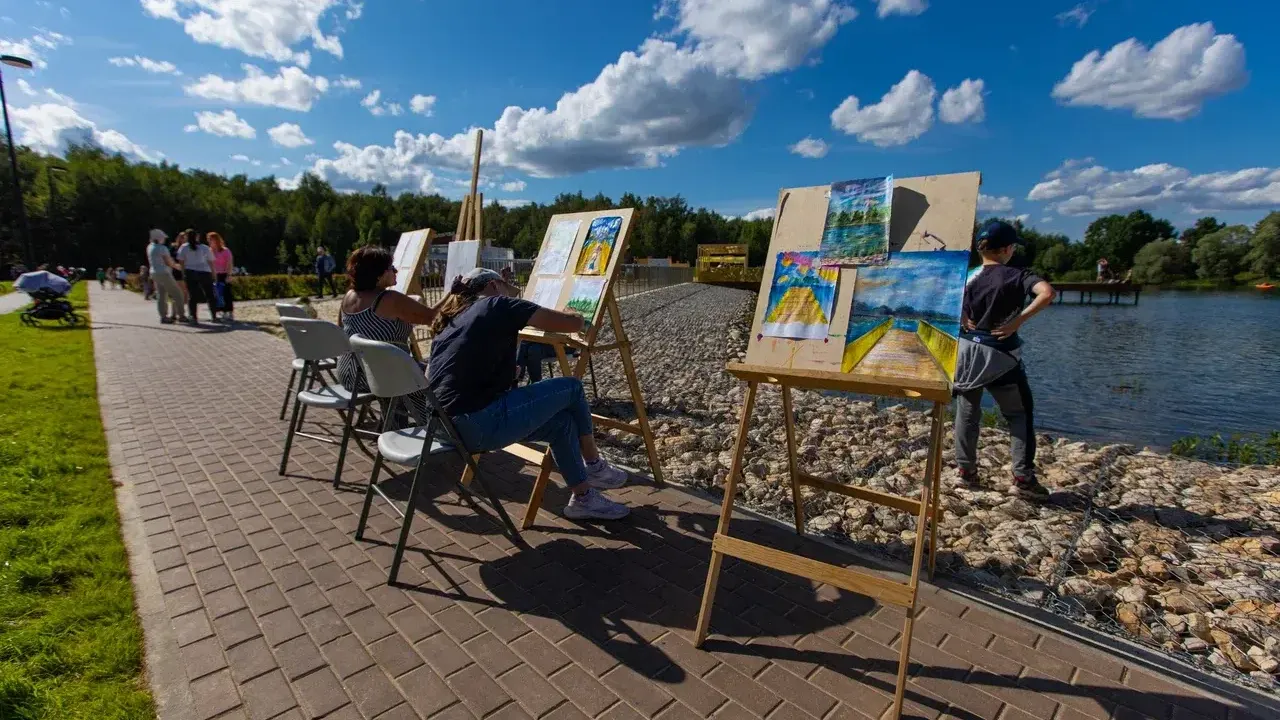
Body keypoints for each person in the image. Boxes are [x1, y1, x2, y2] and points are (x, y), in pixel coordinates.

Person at [428, 268, 631, 520]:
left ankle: (583, 498)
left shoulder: (456, 318)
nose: (509, 292)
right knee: (573, 388)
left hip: (444, 428)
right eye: (506, 286)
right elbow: (570, 324)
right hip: (476, 424)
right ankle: (595, 466)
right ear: (494, 285)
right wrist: (575, 314)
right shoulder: (497, 304)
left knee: (561, 424)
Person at [953, 220, 1056, 500]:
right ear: (1008, 249)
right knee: (1018, 414)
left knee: (967, 414)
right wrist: (1018, 321)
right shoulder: (1017, 275)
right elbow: (1047, 293)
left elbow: (947, 298)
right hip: (1000, 356)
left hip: (967, 353)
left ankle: (965, 473)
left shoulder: (968, 276)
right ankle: (1023, 479)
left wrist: (963, 316)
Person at [336, 247, 444, 418]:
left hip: (350, 372)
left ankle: (396, 423)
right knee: (441, 375)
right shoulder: (388, 298)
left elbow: (341, 332)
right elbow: (432, 317)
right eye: (391, 268)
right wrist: (454, 293)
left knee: (405, 371)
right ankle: (433, 424)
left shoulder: (349, 296)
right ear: (378, 275)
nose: (396, 271)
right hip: (378, 374)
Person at [177, 230, 217, 324]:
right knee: (209, 294)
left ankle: (193, 316)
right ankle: (214, 316)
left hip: (190, 271)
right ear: (197, 237)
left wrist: (183, 273)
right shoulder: (204, 247)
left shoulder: (184, 247)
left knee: (192, 296)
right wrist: (213, 274)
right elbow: (211, 261)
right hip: (204, 272)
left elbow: (181, 261)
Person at [147, 229, 186, 324]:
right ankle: (181, 315)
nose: (164, 239)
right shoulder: (162, 248)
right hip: (164, 273)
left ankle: (163, 316)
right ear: (159, 238)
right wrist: (178, 267)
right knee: (178, 294)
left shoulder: (149, 247)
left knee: (161, 295)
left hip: (154, 272)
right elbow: (168, 262)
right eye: (163, 238)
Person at [208, 231, 235, 322]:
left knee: (226, 293)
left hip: (224, 274)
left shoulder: (225, 251)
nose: (210, 242)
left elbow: (229, 263)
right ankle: (220, 311)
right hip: (214, 275)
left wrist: (229, 275)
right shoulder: (209, 251)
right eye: (209, 240)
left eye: (211, 239)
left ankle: (229, 311)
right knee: (217, 294)